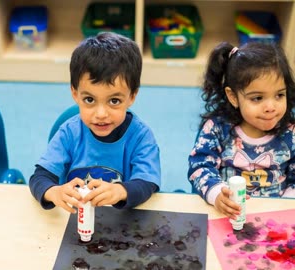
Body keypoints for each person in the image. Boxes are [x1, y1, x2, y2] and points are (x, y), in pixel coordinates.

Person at [29, 32, 161, 213]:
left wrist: (121, 190)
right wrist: (53, 192)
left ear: (132, 96)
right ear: (75, 94)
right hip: (75, 222)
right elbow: (39, 178)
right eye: (90, 100)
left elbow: (147, 184)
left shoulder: (141, 137)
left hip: (121, 224)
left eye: (114, 101)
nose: (100, 114)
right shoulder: (69, 132)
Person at [188, 41, 295, 219]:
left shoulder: (290, 133)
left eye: (279, 95)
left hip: (276, 219)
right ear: (233, 97)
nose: (271, 107)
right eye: (258, 98)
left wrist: (285, 206)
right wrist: (216, 194)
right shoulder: (217, 129)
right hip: (226, 215)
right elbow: (199, 166)